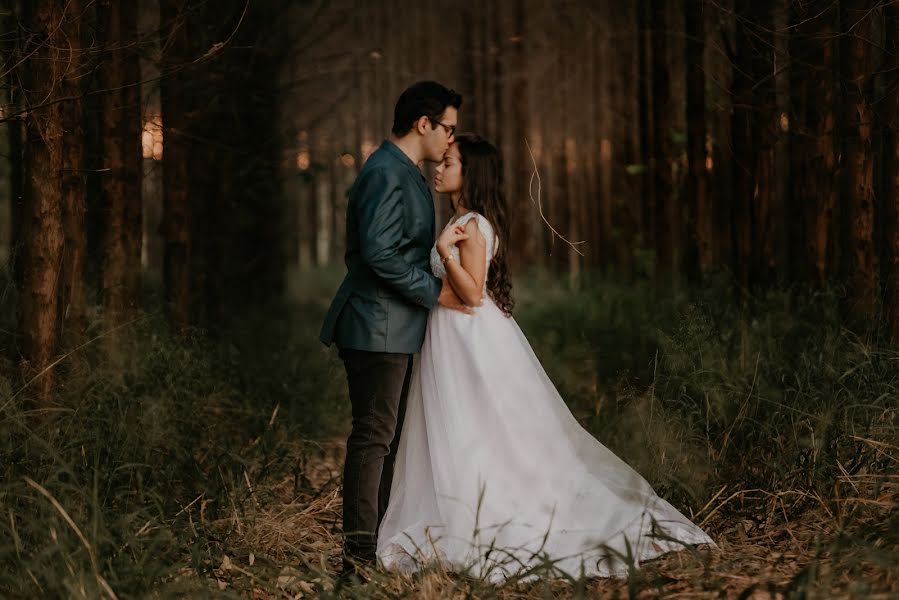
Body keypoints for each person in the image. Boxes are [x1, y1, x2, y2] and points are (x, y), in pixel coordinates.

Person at [377, 133, 716, 581]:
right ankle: (455, 504)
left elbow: (474, 293)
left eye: (450, 163)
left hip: (470, 336)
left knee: (481, 422)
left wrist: (443, 253)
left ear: (471, 172)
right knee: (457, 423)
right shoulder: (462, 217)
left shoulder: (474, 224)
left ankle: (497, 509)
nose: (439, 168)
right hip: (450, 336)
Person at [319, 81, 471, 576]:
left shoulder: (402, 171)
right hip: (375, 327)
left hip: (393, 326)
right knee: (374, 439)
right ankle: (357, 562)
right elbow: (379, 252)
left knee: (384, 439)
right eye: (448, 128)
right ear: (423, 124)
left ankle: (375, 549)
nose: (451, 139)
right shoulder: (386, 173)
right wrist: (436, 292)